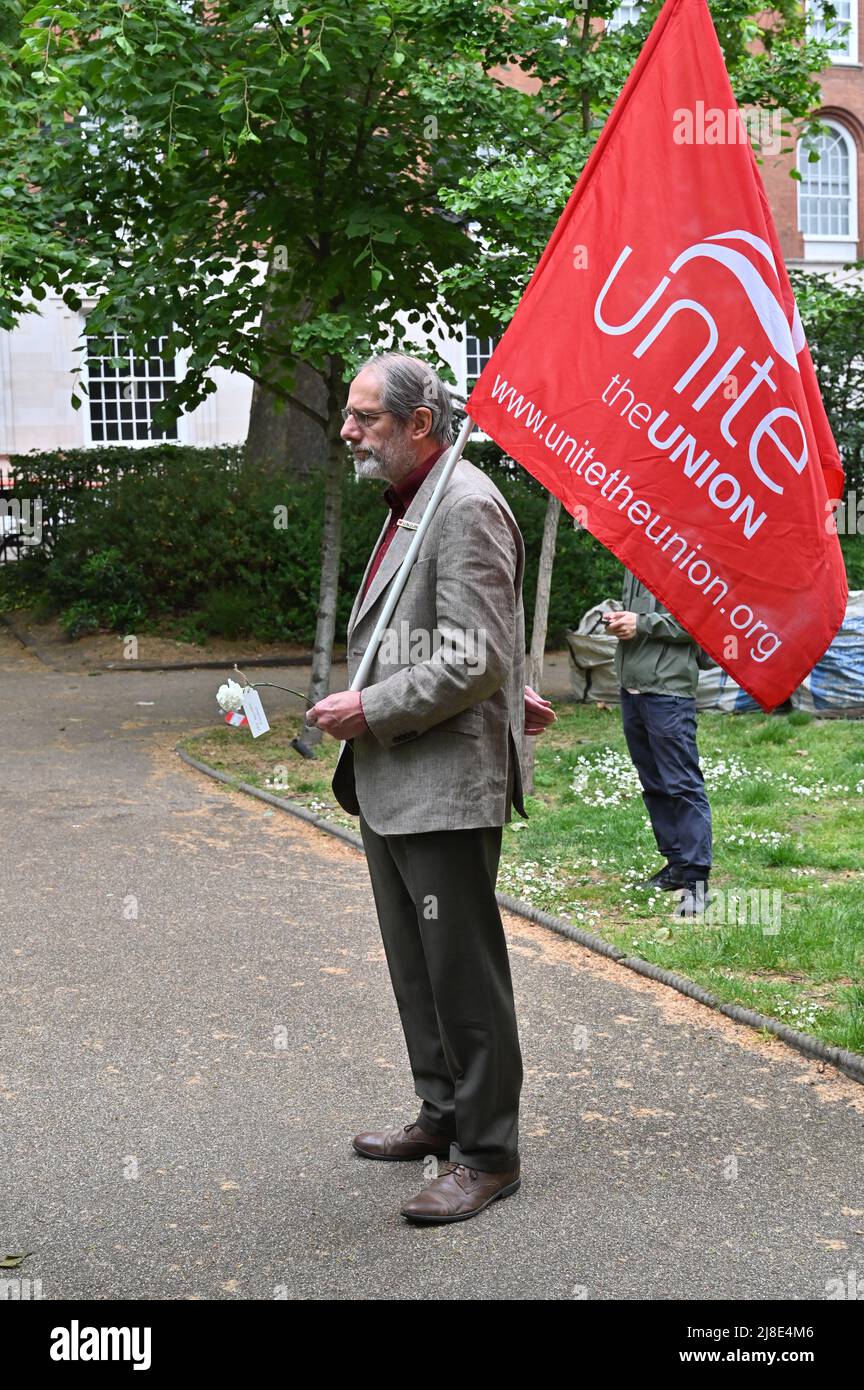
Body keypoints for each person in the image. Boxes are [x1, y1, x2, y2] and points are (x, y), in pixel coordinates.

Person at [307, 352, 556, 1224]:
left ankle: (488, 1155)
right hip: (397, 779)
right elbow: (473, 642)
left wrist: (370, 707)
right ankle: (442, 1114)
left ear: (420, 424)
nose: (348, 431)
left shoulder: (465, 503)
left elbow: (473, 652)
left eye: (366, 417)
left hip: (442, 780)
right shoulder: (417, 498)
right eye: (350, 414)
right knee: (417, 969)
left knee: (462, 975)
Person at [604, 567, 713, 917]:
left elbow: (701, 623)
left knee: (682, 784)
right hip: (633, 687)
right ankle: (677, 864)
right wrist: (621, 621)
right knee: (652, 782)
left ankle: (697, 881)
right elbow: (639, 619)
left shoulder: (687, 559)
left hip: (668, 693)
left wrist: (643, 624)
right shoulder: (635, 560)